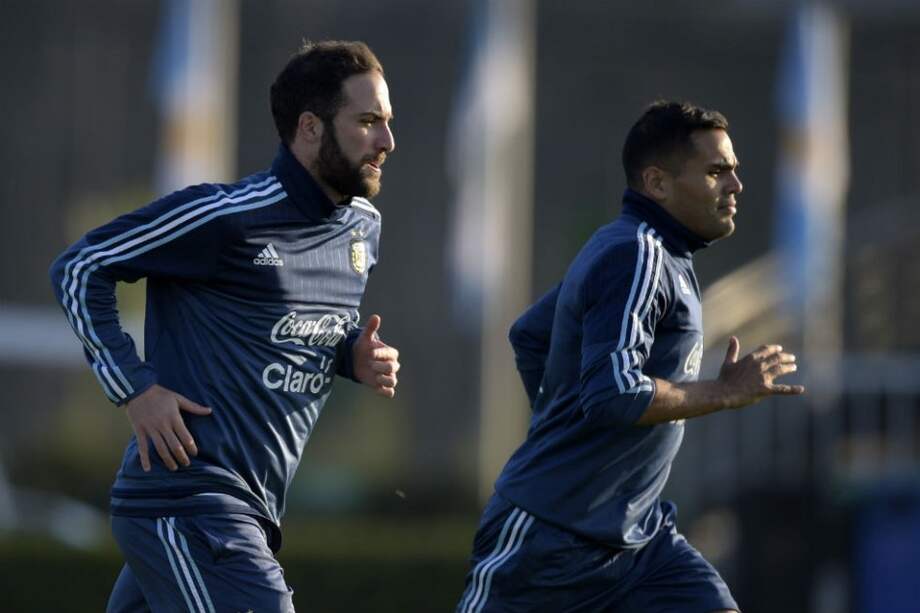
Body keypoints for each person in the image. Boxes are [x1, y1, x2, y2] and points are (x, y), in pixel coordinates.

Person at [49, 40, 399, 612]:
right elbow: (80, 268)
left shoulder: (363, 228)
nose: (387, 141)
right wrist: (134, 388)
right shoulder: (225, 217)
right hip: (188, 500)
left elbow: (282, 325)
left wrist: (346, 356)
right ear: (309, 128)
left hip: (248, 509)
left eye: (386, 122)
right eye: (367, 122)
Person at [457, 101, 805, 613]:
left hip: (640, 543)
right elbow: (614, 393)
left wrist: (567, 435)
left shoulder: (656, 251)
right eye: (715, 172)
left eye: (733, 170)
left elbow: (530, 335)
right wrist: (723, 392)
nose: (735, 186)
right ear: (657, 183)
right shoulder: (637, 254)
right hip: (551, 540)